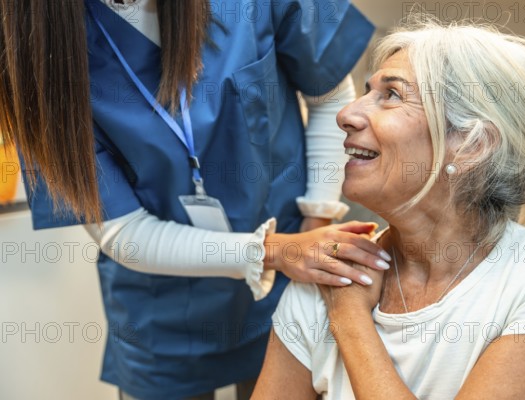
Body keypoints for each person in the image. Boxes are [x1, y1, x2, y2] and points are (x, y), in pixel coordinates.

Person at [0, 1, 390, 399]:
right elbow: (123, 231)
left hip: (289, 282)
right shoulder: (39, 48)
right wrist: (277, 251)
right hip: (162, 307)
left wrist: (317, 219)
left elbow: (327, 92)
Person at [253, 21, 525, 399]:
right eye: (368, 91)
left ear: (472, 144)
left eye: (391, 95)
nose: (347, 113)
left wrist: (350, 320)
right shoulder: (332, 270)